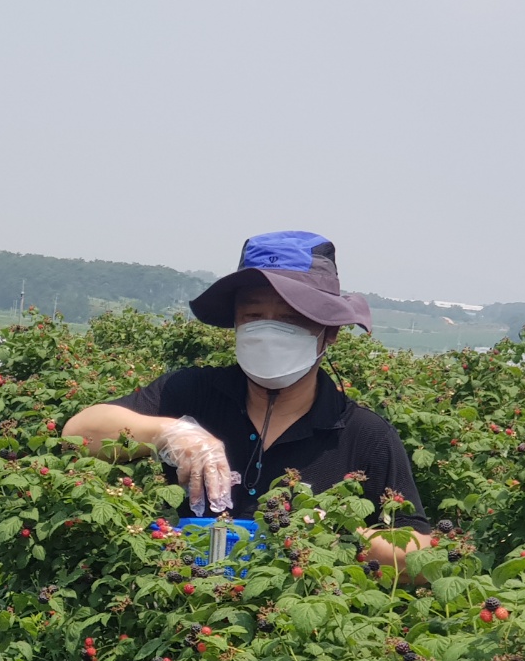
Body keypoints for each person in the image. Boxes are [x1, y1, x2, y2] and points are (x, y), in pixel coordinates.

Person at [63, 231, 429, 574]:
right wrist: (168, 433)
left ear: (328, 332)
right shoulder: (191, 392)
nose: (268, 331)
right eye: (253, 315)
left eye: (290, 317)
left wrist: (338, 534)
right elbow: (78, 434)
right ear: (236, 323)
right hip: (180, 613)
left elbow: (419, 551)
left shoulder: (363, 436)